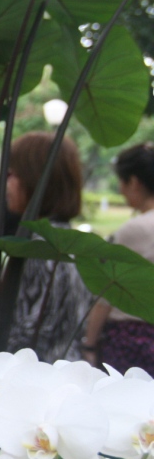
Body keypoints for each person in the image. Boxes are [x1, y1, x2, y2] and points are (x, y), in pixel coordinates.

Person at [3, 131, 90, 362]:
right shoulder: (77, 244)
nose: (6, 182)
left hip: (34, 380)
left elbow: (31, 332)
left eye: (12, 174)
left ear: (35, 179)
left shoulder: (39, 248)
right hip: (68, 370)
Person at [84, 143, 154, 373]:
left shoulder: (134, 230)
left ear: (134, 182)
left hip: (132, 339)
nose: (121, 190)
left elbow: (107, 294)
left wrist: (90, 345)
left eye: (122, 183)